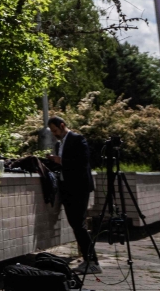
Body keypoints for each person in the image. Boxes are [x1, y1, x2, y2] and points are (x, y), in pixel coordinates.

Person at [48, 115, 100, 274]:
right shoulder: (59, 145)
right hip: (67, 188)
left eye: (56, 130)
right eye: (52, 131)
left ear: (62, 125)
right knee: (76, 224)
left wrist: (61, 161)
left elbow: (83, 162)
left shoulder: (77, 139)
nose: (54, 134)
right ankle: (88, 259)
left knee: (79, 224)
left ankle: (92, 262)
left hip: (79, 188)